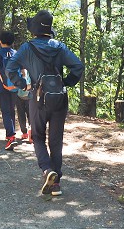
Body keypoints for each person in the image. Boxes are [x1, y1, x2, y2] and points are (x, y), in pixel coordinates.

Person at [5, 10, 84, 197]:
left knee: (38, 136)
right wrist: (66, 82)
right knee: (56, 140)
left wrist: (22, 84)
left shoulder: (26, 48)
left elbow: (10, 68)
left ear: (34, 30)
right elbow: (78, 66)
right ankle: (56, 185)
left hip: (38, 98)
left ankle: (47, 170)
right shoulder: (59, 46)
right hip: (59, 98)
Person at [0, 30, 25, 150]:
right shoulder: (16, 53)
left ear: (0, 41)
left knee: (5, 111)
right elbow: (23, 71)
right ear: (12, 42)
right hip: (15, 86)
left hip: (2, 87)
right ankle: (10, 134)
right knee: (11, 110)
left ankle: (11, 136)